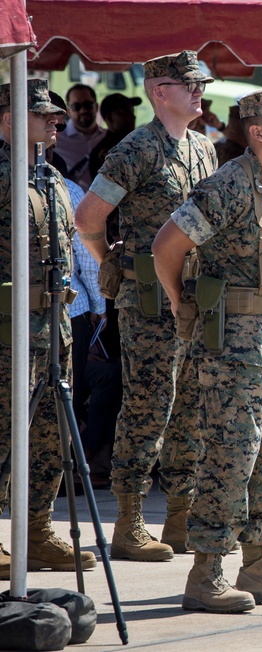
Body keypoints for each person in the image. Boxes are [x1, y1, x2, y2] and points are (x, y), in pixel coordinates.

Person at [153, 85, 262, 613]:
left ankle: (259, 563)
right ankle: (207, 573)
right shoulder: (227, 185)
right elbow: (167, 246)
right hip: (236, 349)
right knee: (230, 459)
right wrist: (185, 306)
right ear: (257, 132)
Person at [75, 50, 218, 561]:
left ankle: (179, 517)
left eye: (201, 83)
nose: (200, 91)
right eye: (189, 84)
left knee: (190, 408)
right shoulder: (137, 148)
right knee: (148, 405)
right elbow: (89, 215)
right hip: (150, 302)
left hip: (194, 300)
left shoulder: (203, 149)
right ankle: (130, 521)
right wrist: (109, 260)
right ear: (160, 91)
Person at [0, 79, 98, 579]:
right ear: (11, 119)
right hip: (7, 328)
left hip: (53, 324)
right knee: (2, 431)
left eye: (57, 116)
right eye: (45, 116)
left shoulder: (51, 178)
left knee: (48, 437)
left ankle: (36, 530)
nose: (56, 122)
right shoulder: (3, 175)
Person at [57, 83, 106, 190]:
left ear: (96, 107)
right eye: (76, 106)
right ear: (68, 111)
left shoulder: (108, 138)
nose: (83, 110)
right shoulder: (56, 139)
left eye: (88, 105)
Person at [87, 93, 141, 184]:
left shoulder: (137, 142)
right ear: (109, 118)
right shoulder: (105, 152)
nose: (132, 116)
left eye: (132, 111)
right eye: (125, 113)